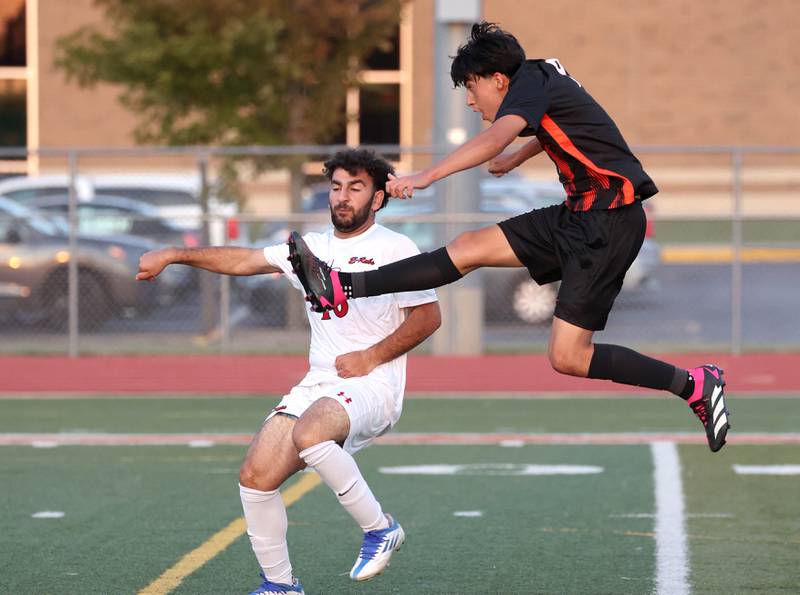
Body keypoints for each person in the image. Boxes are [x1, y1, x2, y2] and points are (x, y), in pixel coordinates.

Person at [289, 22, 730, 453]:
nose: (470, 100)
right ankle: (343, 285)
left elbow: (494, 137)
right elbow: (571, 121)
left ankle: (693, 383)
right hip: (579, 214)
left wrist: (427, 176)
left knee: (569, 358)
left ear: (498, 80)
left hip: (610, 221)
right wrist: (521, 154)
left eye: (472, 87)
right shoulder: (540, 79)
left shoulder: (530, 84)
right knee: (468, 248)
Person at [136, 148, 441, 594]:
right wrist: (174, 254)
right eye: (336, 187)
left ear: (377, 198)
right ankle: (280, 586)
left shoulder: (396, 248)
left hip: (373, 382)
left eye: (356, 188)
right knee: (256, 477)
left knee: (311, 433)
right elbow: (242, 261)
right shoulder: (310, 251)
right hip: (319, 382)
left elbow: (427, 318)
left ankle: (380, 529)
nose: (343, 197)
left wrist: (371, 356)